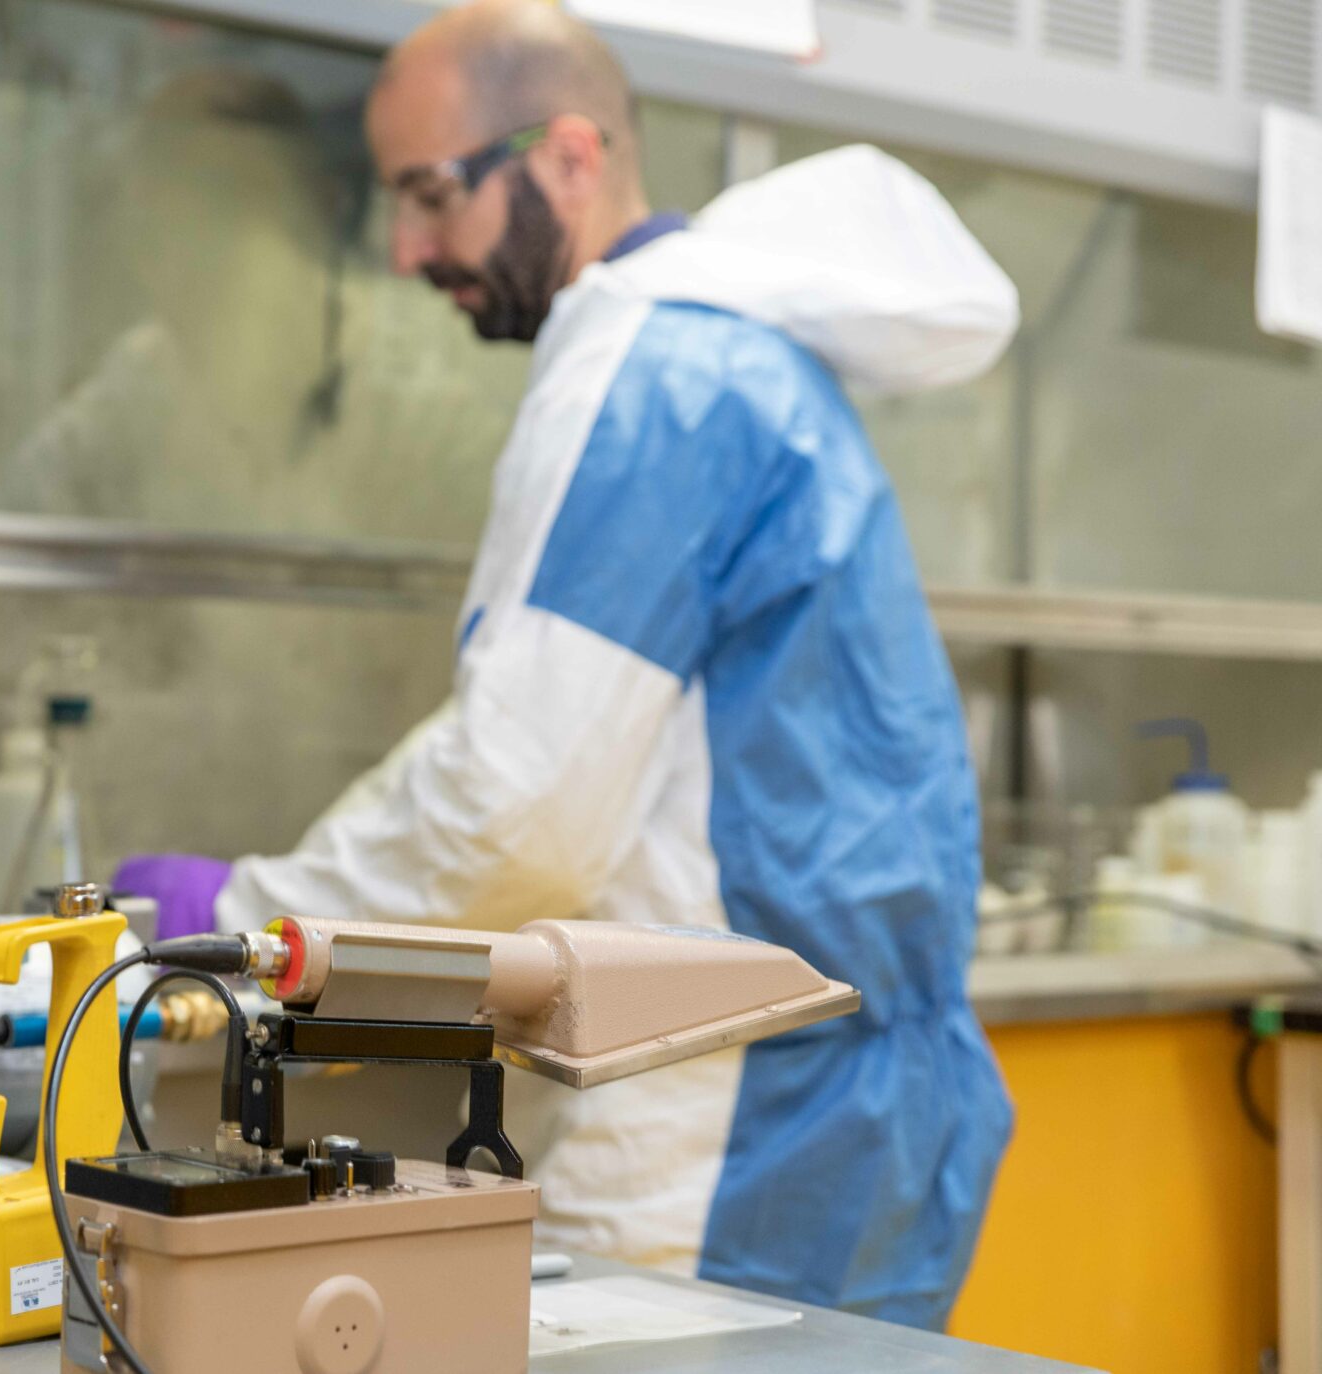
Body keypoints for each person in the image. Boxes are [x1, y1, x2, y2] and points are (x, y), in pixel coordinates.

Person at [117, 0, 1017, 1329]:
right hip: (861, 1102)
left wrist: (256, 918)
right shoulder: (740, 361)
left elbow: (517, 807)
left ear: (570, 159)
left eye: (433, 195)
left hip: (721, 1117)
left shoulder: (651, 374)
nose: (410, 251)